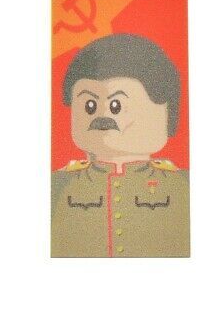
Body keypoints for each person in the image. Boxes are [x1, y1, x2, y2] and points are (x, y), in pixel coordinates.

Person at [51, 33, 190, 257]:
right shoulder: (57, 186)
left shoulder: (183, 186)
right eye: (89, 105)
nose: (103, 115)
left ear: (168, 116)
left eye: (117, 105)